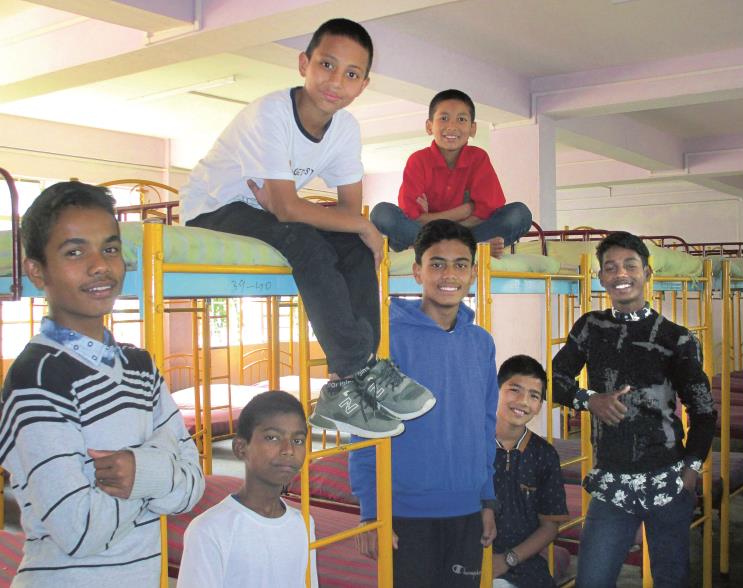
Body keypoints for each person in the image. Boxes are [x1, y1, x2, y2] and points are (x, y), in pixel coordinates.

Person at [179, 18, 434, 438]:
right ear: (304, 63)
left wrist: (348, 224)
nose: (336, 81)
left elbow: (349, 213)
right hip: (214, 208)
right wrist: (292, 208)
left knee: (354, 247)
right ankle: (360, 369)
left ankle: (345, 384)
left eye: (351, 74)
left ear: (363, 85)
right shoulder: (271, 113)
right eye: (327, 65)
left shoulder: (346, 129)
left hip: (263, 209)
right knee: (303, 239)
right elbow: (284, 208)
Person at [0, 181, 204, 587]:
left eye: (110, 248)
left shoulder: (140, 365)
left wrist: (137, 472)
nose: (100, 265)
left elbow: (194, 487)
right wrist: (160, 468)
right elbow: (79, 529)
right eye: (75, 252)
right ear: (37, 270)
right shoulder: (36, 378)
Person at [551, 231, 717, 587]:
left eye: (630, 265)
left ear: (646, 272)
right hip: (612, 483)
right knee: (592, 581)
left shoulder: (677, 338)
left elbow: (704, 412)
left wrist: (690, 469)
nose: (620, 273)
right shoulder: (590, 328)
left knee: (671, 580)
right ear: (601, 278)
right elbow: (554, 379)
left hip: (668, 481)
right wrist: (589, 400)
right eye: (610, 267)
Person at [349, 219, 498, 587]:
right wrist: (372, 513)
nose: (449, 274)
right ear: (418, 272)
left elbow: (484, 424)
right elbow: (365, 430)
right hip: (404, 513)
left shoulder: (481, 342)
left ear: (474, 273)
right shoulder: (387, 339)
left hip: (467, 511)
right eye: (437, 263)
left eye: (461, 264)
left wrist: (486, 500)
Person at [370, 89, 532, 259]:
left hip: (453, 234)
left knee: (520, 214)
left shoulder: (478, 158)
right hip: (436, 235)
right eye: (444, 118)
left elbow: (486, 211)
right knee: (381, 213)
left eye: (461, 119)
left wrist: (430, 218)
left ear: (472, 128)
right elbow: (413, 216)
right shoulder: (418, 160)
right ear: (429, 126)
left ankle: (432, 250)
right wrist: (466, 209)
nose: (452, 126)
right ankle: (471, 250)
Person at [178, 391, 317, 586]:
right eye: (272, 437)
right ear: (240, 448)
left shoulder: (303, 523)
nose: (289, 450)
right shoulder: (208, 530)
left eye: (298, 440)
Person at [492, 355, 569, 588]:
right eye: (514, 390)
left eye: (534, 396)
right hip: (467, 559)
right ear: (495, 390)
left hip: (523, 563)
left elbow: (549, 526)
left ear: (539, 406)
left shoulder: (544, 455)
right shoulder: (469, 443)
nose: (523, 401)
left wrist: (508, 559)